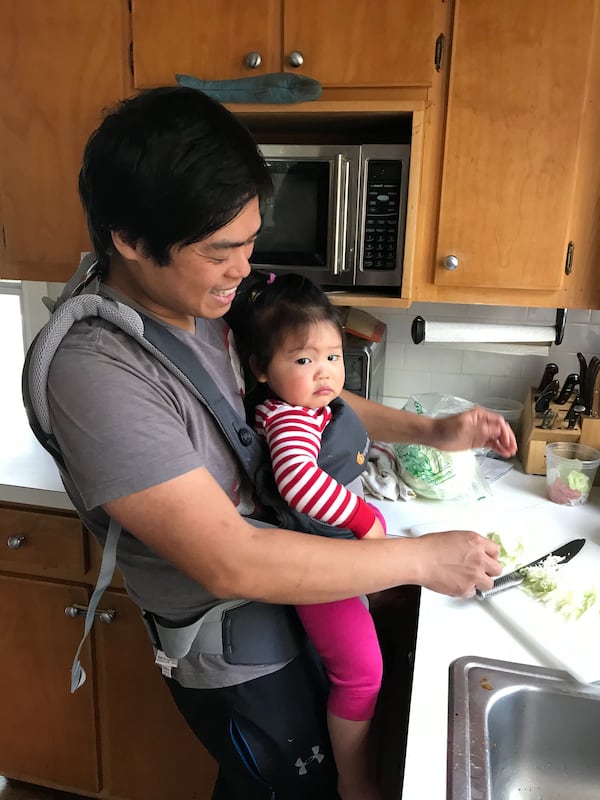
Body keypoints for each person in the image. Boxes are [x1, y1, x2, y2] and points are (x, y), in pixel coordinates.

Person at [42, 86, 516, 800]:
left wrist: (431, 432)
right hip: (238, 656)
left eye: (250, 241)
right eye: (221, 250)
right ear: (131, 241)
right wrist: (420, 559)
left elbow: (299, 388)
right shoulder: (98, 373)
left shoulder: (202, 305)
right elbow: (230, 562)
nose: (243, 268)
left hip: (294, 600)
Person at [246, 272, 386, 800]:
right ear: (262, 369)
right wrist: (365, 520)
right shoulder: (289, 423)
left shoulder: (308, 408)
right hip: (319, 568)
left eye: (332, 356)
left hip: (336, 560)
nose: (325, 372)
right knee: (361, 673)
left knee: (359, 667)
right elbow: (301, 484)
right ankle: (355, 781)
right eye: (304, 360)